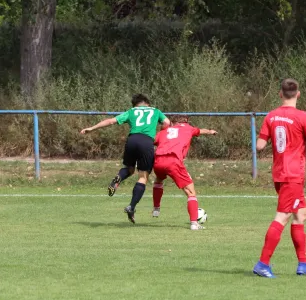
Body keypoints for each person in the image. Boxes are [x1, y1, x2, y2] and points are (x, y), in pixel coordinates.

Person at [252, 78, 306, 278]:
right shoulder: (302, 116)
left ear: (280, 94)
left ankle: (303, 264)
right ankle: (262, 263)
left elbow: (259, 146)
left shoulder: (271, 116)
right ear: (298, 94)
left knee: (300, 215)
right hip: (292, 174)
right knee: (283, 216)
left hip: (279, 173)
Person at [80, 94, 170, 223]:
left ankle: (118, 178)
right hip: (146, 142)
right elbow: (167, 123)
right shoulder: (155, 111)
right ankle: (131, 207)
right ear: (147, 103)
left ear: (135, 105)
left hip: (132, 140)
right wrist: (160, 134)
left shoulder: (131, 112)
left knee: (129, 169)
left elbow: (111, 121)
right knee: (143, 177)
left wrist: (92, 128)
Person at [151, 116, 218, 230]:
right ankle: (194, 224)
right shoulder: (188, 128)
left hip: (158, 160)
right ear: (186, 122)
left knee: (159, 179)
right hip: (173, 161)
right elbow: (201, 131)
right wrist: (210, 132)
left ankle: (156, 209)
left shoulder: (164, 131)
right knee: (191, 192)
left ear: (172, 123)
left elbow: (153, 140)